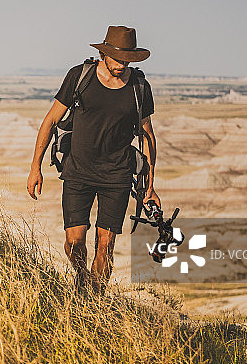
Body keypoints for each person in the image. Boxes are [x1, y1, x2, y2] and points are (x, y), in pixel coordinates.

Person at [26, 26, 159, 295]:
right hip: (78, 172)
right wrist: (35, 167)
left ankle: (92, 300)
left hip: (118, 176)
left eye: (127, 59)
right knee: (74, 243)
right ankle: (82, 278)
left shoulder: (140, 87)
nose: (122, 64)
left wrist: (150, 186)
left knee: (105, 244)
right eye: (118, 58)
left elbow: (148, 137)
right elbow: (51, 120)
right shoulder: (80, 76)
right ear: (104, 54)